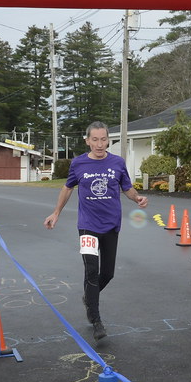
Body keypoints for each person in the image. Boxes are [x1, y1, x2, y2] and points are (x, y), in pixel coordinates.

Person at [43, 121, 148, 340]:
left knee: (107, 273)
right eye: (95, 139)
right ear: (87, 140)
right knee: (91, 271)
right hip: (87, 226)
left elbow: (127, 188)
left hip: (111, 225)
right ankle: (96, 319)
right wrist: (56, 213)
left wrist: (137, 198)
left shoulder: (117, 163)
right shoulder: (78, 163)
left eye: (103, 139)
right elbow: (67, 187)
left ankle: (89, 298)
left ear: (108, 140)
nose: (99, 144)